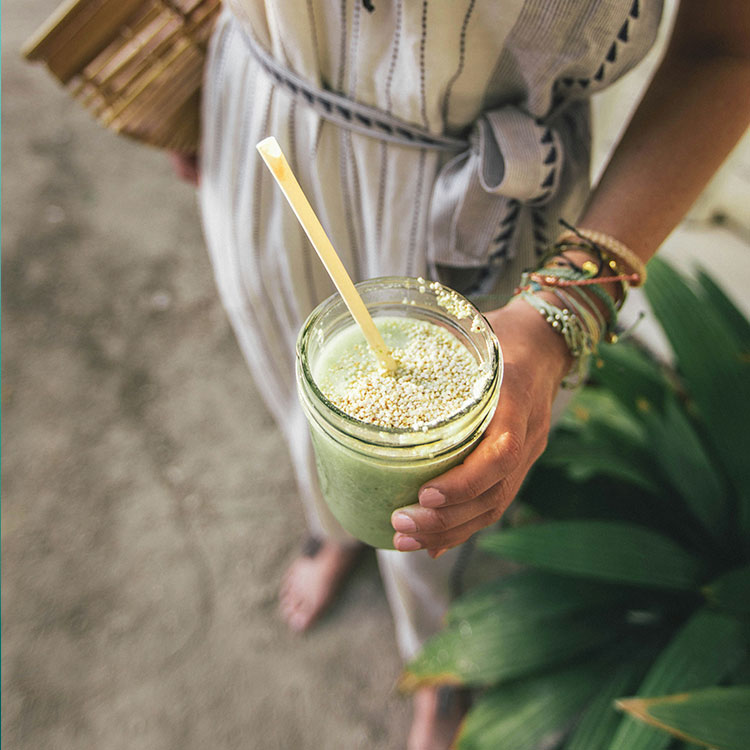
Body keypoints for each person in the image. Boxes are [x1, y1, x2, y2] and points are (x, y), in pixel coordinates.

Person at [172, 1, 750, 747]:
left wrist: (559, 312)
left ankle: (437, 660)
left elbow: (726, 49)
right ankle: (332, 528)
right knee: (297, 393)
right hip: (264, 122)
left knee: (449, 498)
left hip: (475, 201)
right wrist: (179, 75)